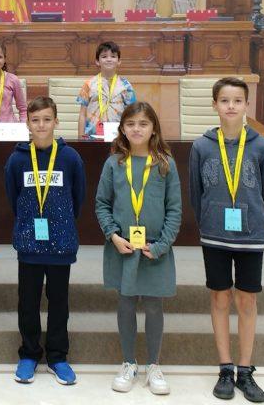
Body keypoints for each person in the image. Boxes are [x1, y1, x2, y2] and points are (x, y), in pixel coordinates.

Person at [189, 77, 264, 403]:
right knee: (219, 298)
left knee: (247, 300)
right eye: (224, 100)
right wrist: (207, 221)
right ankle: (225, 368)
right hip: (214, 234)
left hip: (251, 236)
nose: (231, 106)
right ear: (214, 104)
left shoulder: (262, 147)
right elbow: (195, 193)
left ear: (246, 105)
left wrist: (258, 225)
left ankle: (245, 369)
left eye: (237, 101)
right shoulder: (201, 146)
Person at [95, 101, 182, 396]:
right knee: (126, 302)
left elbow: (175, 209)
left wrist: (161, 245)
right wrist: (113, 235)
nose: (136, 129)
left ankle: (153, 365)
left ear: (154, 128)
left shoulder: (165, 164)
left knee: (154, 305)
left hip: (154, 249)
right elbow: (102, 204)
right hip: (123, 248)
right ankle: (128, 362)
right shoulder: (114, 163)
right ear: (122, 128)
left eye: (143, 124)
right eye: (130, 124)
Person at [4, 96, 85, 386]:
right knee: (28, 302)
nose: (41, 125)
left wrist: (60, 224)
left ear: (56, 122)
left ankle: (57, 356)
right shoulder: (17, 159)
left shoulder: (70, 158)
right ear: (27, 123)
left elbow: (78, 198)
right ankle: (29, 353)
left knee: (59, 303)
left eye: (47, 119)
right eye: (35, 120)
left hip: (61, 244)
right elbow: (13, 196)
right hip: (30, 244)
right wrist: (29, 223)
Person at [77, 41, 137, 139]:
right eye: (104, 56)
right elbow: (82, 114)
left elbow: (132, 114)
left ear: (119, 61)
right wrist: (80, 138)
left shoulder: (126, 86)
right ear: (97, 61)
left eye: (113, 56)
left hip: (118, 137)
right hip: (91, 138)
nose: (109, 59)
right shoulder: (89, 84)